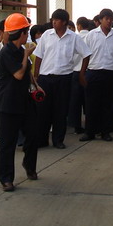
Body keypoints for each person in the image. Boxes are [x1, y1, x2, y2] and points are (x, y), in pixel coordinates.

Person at [0, 13, 41, 192]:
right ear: (21, 33)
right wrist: (26, 55)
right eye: (26, 32)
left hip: (24, 100)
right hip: (8, 103)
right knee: (7, 143)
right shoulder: (5, 52)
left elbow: (27, 74)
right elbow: (19, 73)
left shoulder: (20, 51)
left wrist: (36, 86)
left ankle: (29, 165)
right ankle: (6, 179)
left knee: (33, 134)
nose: (28, 36)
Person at [34, 9, 91, 149]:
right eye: (52, 20)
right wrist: (36, 76)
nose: (54, 22)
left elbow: (86, 54)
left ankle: (58, 140)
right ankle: (42, 139)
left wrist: (82, 73)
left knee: (61, 110)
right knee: (43, 111)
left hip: (64, 78)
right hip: (45, 78)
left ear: (64, 22)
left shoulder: (74, 37)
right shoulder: (47, 35)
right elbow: (39, 56)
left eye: (57, 20)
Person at [80, 9, 113, 142]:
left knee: (109, 104)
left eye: (111, 19)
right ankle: (90, 132)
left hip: (112, 73)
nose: (109, 21)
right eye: (106, 19)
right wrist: (82, 73)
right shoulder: (91, 35)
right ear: (100, 20)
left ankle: (106, 132)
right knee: (92, 104)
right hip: (94, 72)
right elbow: (85, 55)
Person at [68, 17, 91, 134]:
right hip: (88, 71)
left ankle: (76, 126)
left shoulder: (74, 38)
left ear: (78, 26)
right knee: (88, 100)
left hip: (75, 72)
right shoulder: (92, 37)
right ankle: (89, 124)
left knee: (75, 101)